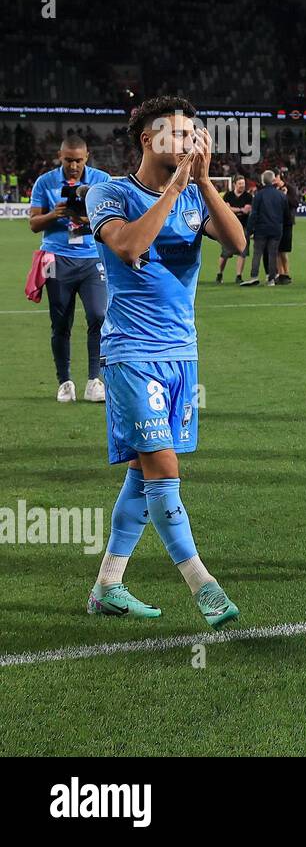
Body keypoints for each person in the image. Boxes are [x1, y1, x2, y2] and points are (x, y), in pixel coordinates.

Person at [84, 96, 245, 628]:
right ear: (145, 140)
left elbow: (238, 243)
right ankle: (204, 585)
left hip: (182, 353)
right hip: (132, 353)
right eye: (175, 135)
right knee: (164, 468)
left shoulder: (195, 195)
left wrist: (201, 183)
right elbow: (129, 247)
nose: (187, 144)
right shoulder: (110, 192)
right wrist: (177, 186)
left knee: (141, 473)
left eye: (192, 135)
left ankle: (108, 585)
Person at [27, 136, 111, 402]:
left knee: (98, 315)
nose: (73, 165)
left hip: (92, 258)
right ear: (59, 156)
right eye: (68, 160)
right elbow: (34, 223)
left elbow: (113, 215)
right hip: (57, 258)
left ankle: (94, 381)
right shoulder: (45, 182)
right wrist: (56, 214)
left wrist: (85, 218)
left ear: (87, 157)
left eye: (78, 160)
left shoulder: (102, 179)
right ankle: (65, 382)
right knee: (61, 322)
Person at [241, 169, 287, 287]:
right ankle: (271, 279)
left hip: (261, 229)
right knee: (272, 254)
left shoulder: (259, 195)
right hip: (276, 229)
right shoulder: (281, 195)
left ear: (262, 181)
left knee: (257, 253)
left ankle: (254, 276)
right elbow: (286, 214)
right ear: (273, 180)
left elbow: (254, 214)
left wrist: (250, 230)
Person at [214, 175, 252, 283]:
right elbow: (226, 209)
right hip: (229, 228)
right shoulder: (228, 195)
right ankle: (219, 273)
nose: (242, 186)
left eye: (243, 184)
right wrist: (240, 209)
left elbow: (247, 210)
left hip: (243, 227)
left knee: (242, 253)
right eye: (240, 184)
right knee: (225, 253)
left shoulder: (248, 196)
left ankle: (239, 276)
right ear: (235, 184)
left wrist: (232, 209)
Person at [274, 171, 297, 283]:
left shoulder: (290, 189)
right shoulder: (273, 189)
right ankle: (280, 273)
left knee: (283, 250)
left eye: (275, 177)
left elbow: (295, 203)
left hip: (287, 223)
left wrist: (285, 196)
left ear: (279, 177)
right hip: (275, 222)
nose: (274, 180)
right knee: (277, 250)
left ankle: (286, 274)